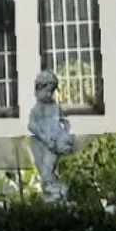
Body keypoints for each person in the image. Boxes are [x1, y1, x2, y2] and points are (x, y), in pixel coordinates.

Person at [26, 70, 76, 200]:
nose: (49, 94)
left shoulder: (54, 107)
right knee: (47, 167)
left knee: (53, 163)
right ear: (38, 90)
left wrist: (65, 128)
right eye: (47, 91)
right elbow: (31, 125)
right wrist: (44, 137)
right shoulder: (37, 109)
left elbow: (62, 120)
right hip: (44, 142)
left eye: (52, 92)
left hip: (56, 140)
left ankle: (54, 186)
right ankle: (50, 186)